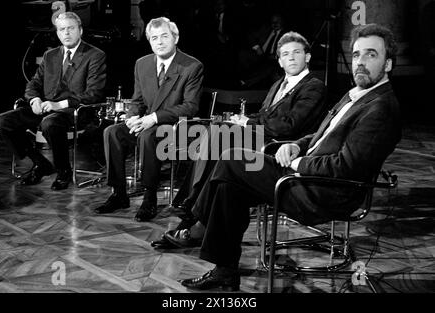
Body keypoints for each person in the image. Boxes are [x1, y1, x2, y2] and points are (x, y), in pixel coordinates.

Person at [170, 23, 402, 291]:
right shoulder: (358, 95)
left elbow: (344, 167)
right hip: (304, 176)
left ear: (388, 64)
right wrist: (297, 146)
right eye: (357, 55)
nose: (360, 62)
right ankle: (224, 269)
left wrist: (296, 162)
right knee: (229, 184)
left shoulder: (381, 108)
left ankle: (197, 224)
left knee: (231, 158)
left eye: (371, 55)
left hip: (322, 191)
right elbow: (321, 136)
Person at [152, 31, 327, 248]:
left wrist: (247, 123)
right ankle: (192, 213)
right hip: (258, 138)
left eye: (297, 52)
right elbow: (264, 115)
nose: (291, 58)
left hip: (278, 148)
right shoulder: (278, 84)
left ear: (307, 57)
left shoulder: (313, 86)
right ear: (280, 61)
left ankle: (190, 209)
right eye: (285, 54)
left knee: (221, 134)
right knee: (217, 131)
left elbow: (289, 126)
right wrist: (244, 119)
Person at [94, 17, 204, 222]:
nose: (159, 42)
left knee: (148, 135)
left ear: (176, 38)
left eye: (164, 36)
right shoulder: (142, 64)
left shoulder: (192, 66)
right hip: (146, 124)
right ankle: (118, 193)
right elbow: (137, 100)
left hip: (175, 129)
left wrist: (153, 118)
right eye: (154, 38)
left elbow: (190, 107)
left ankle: (149, 196)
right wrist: (131, 117)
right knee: (112, 132)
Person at [0, 12, 106, 191]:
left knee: (50, 123)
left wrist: (59, 105)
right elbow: (33, 84)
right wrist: (35, 100)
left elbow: (94, 94)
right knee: (4, 121)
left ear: (80, 30)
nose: (66, 33)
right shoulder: (50, 55)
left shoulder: (95, 55)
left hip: (76, 111)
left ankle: (64, 172)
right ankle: (41, 163)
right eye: (62, 29)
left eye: (71, 28)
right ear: (57, 33)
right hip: (46, 108)